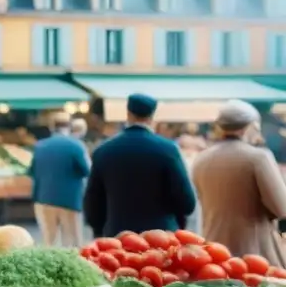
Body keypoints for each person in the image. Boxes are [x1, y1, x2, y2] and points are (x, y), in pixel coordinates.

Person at [83, 94, 196, 237]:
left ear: (128, 114)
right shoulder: (168, 149)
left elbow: (93, 203)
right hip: (160, 238)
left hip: (118, 237)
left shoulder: (103, 150)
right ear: (152, 116)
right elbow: (187, 203)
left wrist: (99, 232)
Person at [191, 100, 286, 267]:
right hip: (255, 252)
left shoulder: (201, 158)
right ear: (251, 126)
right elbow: (281, 208)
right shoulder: (258, 157)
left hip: (214, 252)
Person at [29, 112, 91, 247]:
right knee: (72, 243)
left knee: (49, 242)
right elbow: (87, 170)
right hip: (70, 200)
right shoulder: (76, 145)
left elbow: (32, 171)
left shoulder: (40, 146)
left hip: (44, 199)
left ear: (51, 126)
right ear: (69, 126)